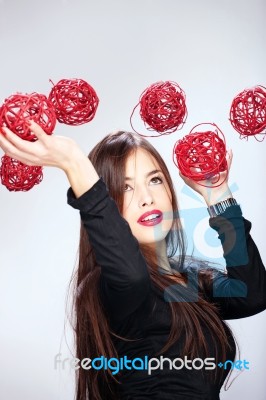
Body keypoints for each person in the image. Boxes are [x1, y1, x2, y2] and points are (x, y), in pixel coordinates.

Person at [0, 121, 265, 400]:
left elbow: (253, 294)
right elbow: (131, 274)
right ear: (107, 204)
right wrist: (74, 163)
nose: (147, 198)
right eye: (126, 188)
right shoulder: (109, 286)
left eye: (155, 180)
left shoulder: (186, 279)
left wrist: (218, 195)